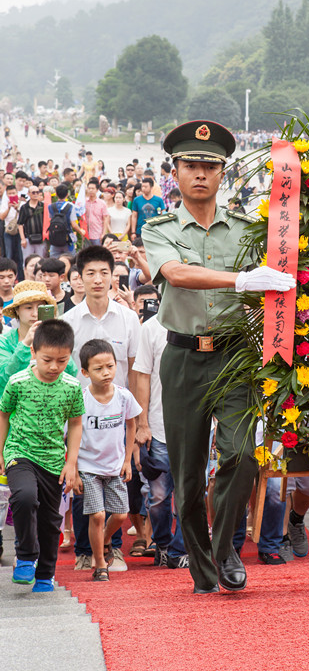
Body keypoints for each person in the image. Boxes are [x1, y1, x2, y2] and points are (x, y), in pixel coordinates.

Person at [142, 119, 295, 595]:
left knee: (243, 455)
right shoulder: (159, 227)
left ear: (223, 173)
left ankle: (224, 544)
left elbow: (277, 276)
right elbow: (176, 273)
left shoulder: (247, 229)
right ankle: (203, 568)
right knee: (186, 477)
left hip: (234, 358)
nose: (201, 173)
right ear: (176, 171)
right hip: (184, 358)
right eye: (191, 165)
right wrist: (239, 280)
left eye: (210, 165)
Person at [63, 245, 141, 572]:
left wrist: (139, 423)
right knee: (84, 485)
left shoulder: (128, 319)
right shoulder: (68, 322)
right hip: (81, 418)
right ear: (78, 278)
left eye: (104, 273)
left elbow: (136, 370)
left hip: (117, 415)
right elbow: (64, 375)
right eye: (90, 273)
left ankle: (112, 547)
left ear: (113, 276)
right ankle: (85, 551)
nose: (97, 279)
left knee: (117, 483)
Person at [0, 319, 84, 591]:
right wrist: (1, 452)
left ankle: (45, 574)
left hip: (54, 459)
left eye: (62, 360)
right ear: (33, 353)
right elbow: (3, 414)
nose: (53, 367)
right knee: (24, 497)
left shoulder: (71, 386)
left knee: (51, 521)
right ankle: (25, 556)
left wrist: (71, 463)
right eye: (47, 359)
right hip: (19, 452)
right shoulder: (18, 381)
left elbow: (75, 423)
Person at [75, 339, 142, 581]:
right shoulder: (80, 399)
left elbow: (131, 423)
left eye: (110, 366)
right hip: (88, 466)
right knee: (98, 515)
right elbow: (70, 434)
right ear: (85, 372)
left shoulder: (123, 396)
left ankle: (103, 540)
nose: (106, 373)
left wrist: (127, 460)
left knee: (121, 514)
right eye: (98, 368)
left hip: (115, 466)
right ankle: (100, 564)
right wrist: (72, 468)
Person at [133, 300, 189, 568]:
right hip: (159, 424)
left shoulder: (203, 324)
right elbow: (142, 376)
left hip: (196, 427)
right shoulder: (152, 328)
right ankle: (163, 542)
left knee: (192, 494)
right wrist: (142, 424)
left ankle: (182, 548)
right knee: (158, 496)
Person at [0, 281, 78, 396]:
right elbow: (4, 378)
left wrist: (54, 338)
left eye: (40, 307)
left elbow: (71, 372)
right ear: (17, 310)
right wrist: (25, 344)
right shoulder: (5, 341)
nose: (35, 313)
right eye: (28, 307)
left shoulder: (54, 338)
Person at [17, 185, 46, 260]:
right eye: (33, 192)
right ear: (29, 193)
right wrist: (23, 239)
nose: (36, 194)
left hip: (41, 238)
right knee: (27, 260)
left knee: (41, 260)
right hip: (28, 238)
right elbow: (20, 224)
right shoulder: (24, 207)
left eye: (37, 192)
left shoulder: (43, 206)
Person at [85, 178, 110, 245]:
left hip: (97, 234)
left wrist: (104, 234)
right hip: (85, 234)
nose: (90, 190)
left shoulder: (102, 203)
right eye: (89, 188)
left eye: (93, 188)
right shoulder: (84, 202)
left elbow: (105, 219)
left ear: (97, 190)